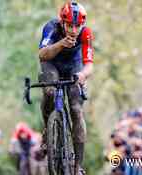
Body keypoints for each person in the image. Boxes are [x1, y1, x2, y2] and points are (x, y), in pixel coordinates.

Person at [38, 1, 94, 174]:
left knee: (76, 110)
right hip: (52, 64)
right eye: (70, 25)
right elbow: (42, 53)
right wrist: (61, 44)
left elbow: (89, 64)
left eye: (77, 26)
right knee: (49, 91)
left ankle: (77, 166)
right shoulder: (51, 27)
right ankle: (48, 128)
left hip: (74, 66)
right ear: (62, 22)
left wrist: (83, 75)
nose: (73, 30)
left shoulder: (85, 33)